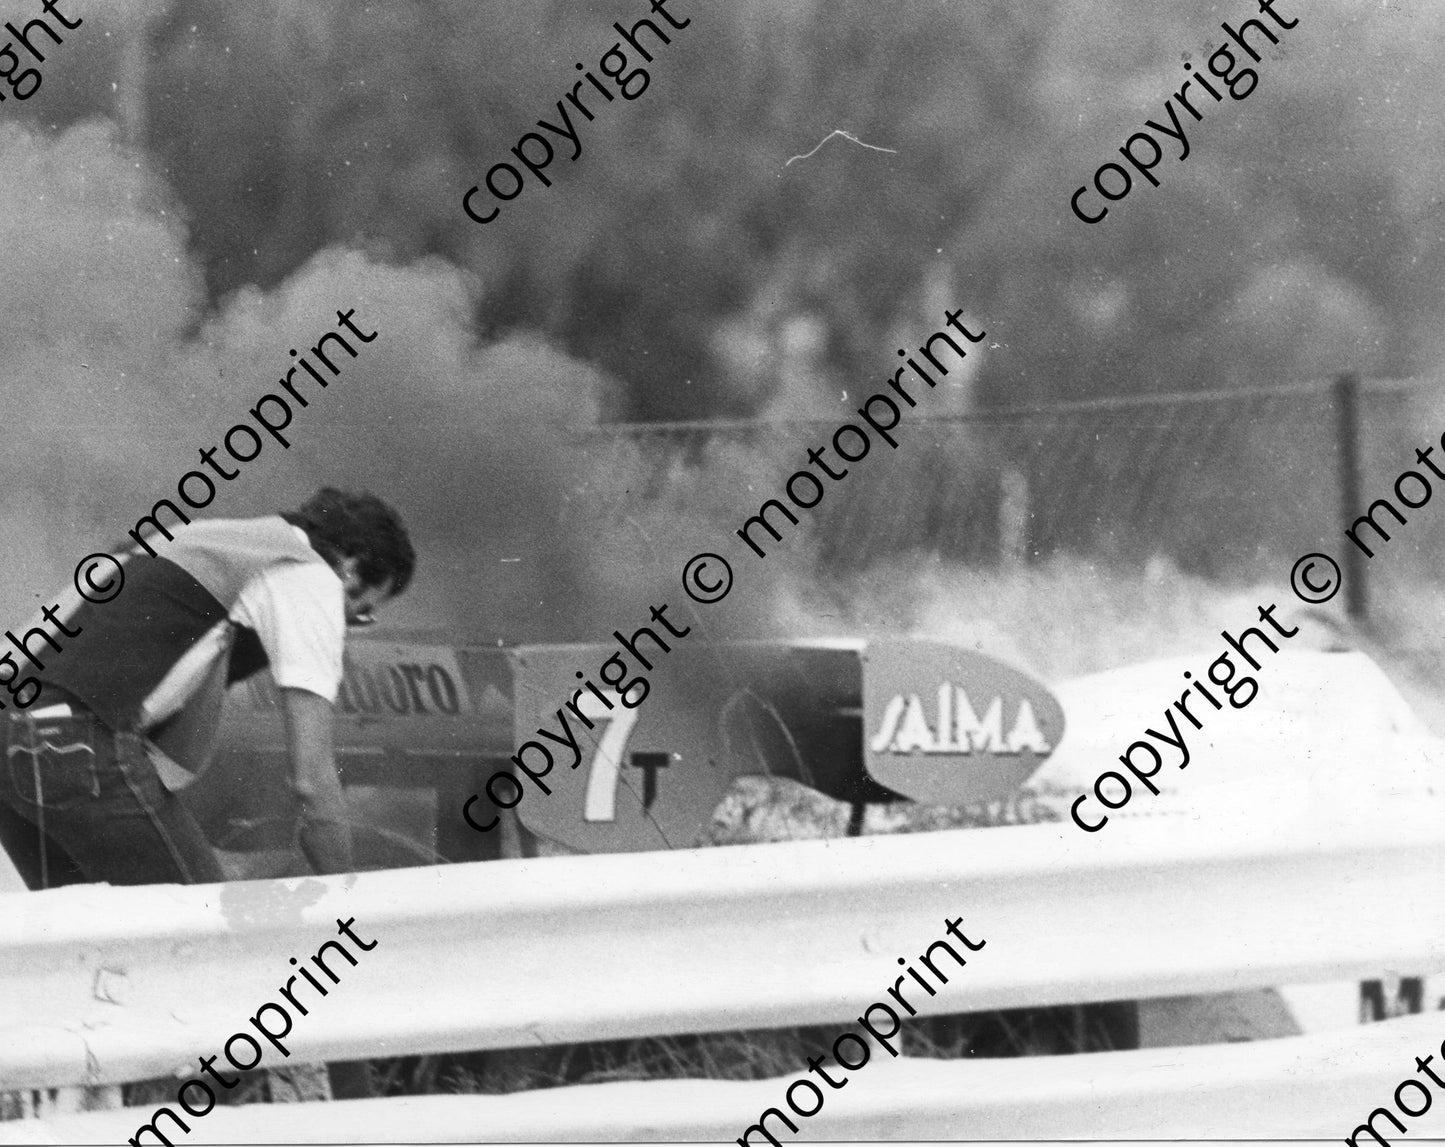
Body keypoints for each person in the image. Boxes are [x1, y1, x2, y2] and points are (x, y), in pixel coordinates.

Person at [0, 487, 415, 890]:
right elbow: (311, 778)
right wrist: (348, 898)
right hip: (75, 742)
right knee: (204, 928)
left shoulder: (202, 536)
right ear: (351, 568)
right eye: (360, 613)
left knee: (85, 940)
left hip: (13, 730)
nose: (347, 624)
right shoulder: (306, 572)